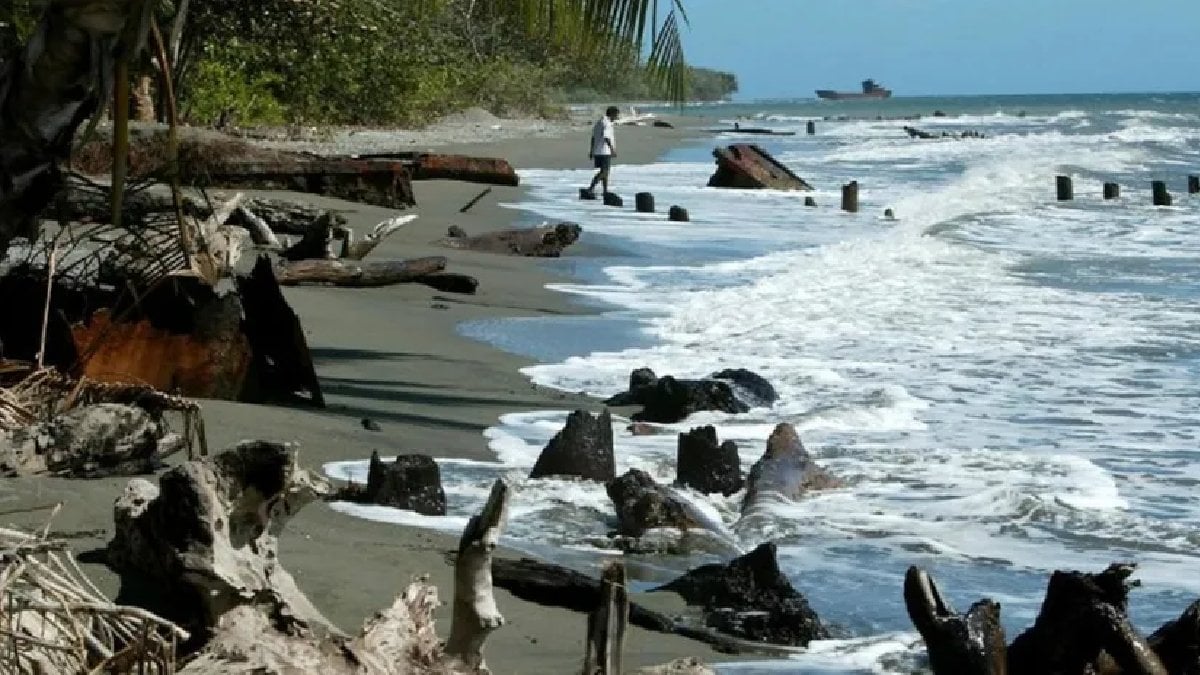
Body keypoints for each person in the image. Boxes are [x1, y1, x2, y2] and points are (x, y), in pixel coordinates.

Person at [587, 106, 620, 196]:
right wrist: (612, 150)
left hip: (597, 151)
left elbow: (593, 138)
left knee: (604, 172)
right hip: (604, 151)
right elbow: (606, 137)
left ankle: (605, 190)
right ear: (612, 114)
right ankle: (591, 188)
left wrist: (591, 150)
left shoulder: (599, 122)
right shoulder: (607, 123)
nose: (617, 118)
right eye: (616, 115)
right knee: (604, 172)